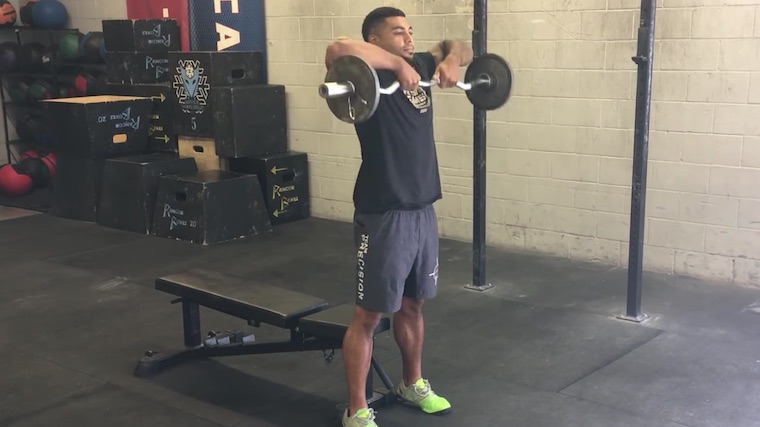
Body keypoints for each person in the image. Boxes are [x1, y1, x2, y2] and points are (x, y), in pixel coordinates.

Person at [324, 7, 474, 427]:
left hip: (423, 209)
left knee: (413, 305)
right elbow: (337, 49)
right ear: (375, 41)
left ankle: (412, 382)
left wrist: (448, 61)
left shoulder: (421, 64)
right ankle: (356, 409)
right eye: (397, 33)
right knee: (369, 315)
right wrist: (394, 64)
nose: (408, 39)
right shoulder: (361, 76)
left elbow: (460, 45)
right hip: (383, 211)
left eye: (410, 32)